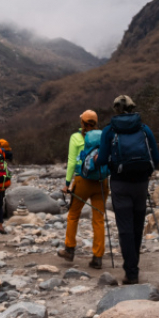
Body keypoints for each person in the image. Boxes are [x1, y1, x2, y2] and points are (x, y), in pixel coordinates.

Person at [96, 95, 159, 284]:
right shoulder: (144, 129)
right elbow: (155, 158)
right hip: (140, 184)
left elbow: (101, 160)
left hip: (119, 183)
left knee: (125, 229)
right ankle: (134, 268)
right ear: (133, 108)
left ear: (115, 109)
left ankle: (131, 273)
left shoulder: (109, 131)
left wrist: (102, 163)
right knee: (137, 226)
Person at [60, 110, 105, 269]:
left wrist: (67, 183)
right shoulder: (103, 136)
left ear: (82, 123)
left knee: (73, 215)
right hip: (101, 181)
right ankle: (97, 257)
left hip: (82, 181)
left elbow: (72, 162)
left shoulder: (76, 137)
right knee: (98, 219)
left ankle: (69, 249)